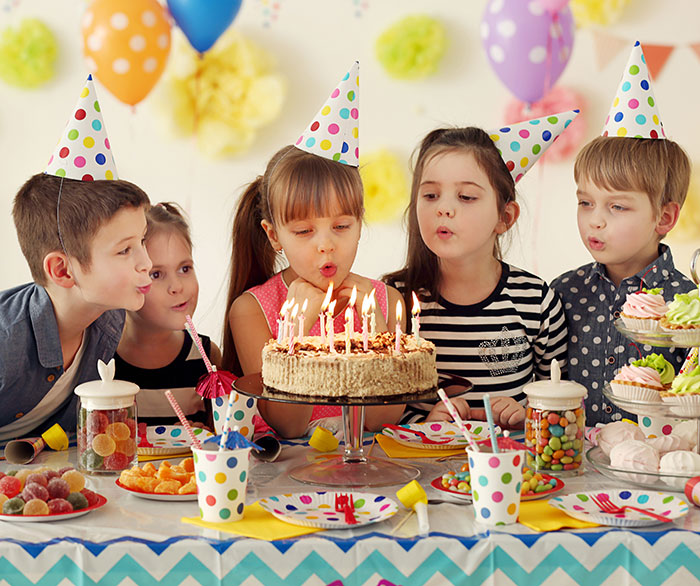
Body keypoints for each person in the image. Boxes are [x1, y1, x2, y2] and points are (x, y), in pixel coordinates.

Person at [223, 63, 405, 438]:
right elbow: (287, 426)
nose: (326, 244)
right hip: (288, 478)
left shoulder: (385, 301)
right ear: (274, 236)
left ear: (361, 222)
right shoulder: (251, 311)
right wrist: (296, 330)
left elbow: (383, 420)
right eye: (304, 230)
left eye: (341, 226)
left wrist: (375, 330)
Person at [385, 112, 579, 430]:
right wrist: (425, 421)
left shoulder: (537, 301)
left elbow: (560, 402)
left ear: (505, 217)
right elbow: (378, 411)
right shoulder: (394, 299)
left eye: (466, 197)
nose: (443, 208)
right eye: (430, 195)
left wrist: (526, 416)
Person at [0, 76, 152, 441]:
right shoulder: (7, 344)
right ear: (62, 270)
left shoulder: (109, 317)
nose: (146, 262)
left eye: (142, 241)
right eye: (125, 249)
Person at [551, 42, 694, 426]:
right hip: (573, 466)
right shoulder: (563, 293)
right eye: (585, 203)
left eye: (617, 206)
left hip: (654, 468)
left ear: (664, 217)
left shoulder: (686, 307)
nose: (595, 220)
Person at [115, 203, 220, 427]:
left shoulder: (206, 357)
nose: (176, 286)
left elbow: (223, 436)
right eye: (156, 274)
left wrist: (209, 434)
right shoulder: (100, 358)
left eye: (185, 269)